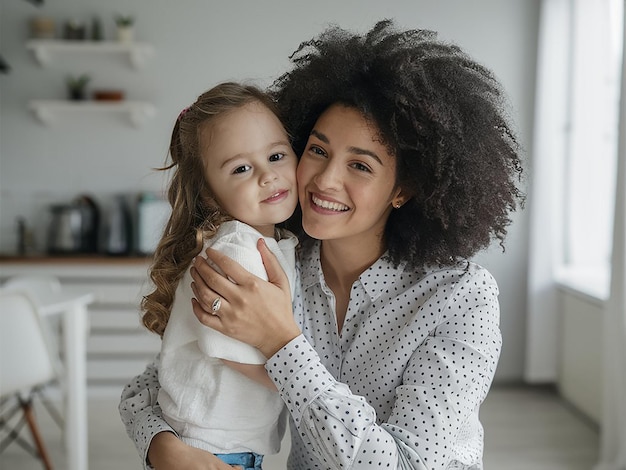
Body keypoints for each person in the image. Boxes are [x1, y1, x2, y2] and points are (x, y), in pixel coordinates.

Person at [120, 20, 525, 470]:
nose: (326, 180)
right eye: (318, 150)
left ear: (403, 189)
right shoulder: (277, 260)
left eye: (361, 166)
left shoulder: (461, 297)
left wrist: (281, 342)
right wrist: (164, 447)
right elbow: (158, 382)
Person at [139, 82, 299, 470]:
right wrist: (316, 385)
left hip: (217, 443)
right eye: (241, 168)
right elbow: (243, 355)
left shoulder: (272, 240)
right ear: (210, 195)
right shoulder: (237, 251)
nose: (267, 175)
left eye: (276, 155)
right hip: (210, 451)